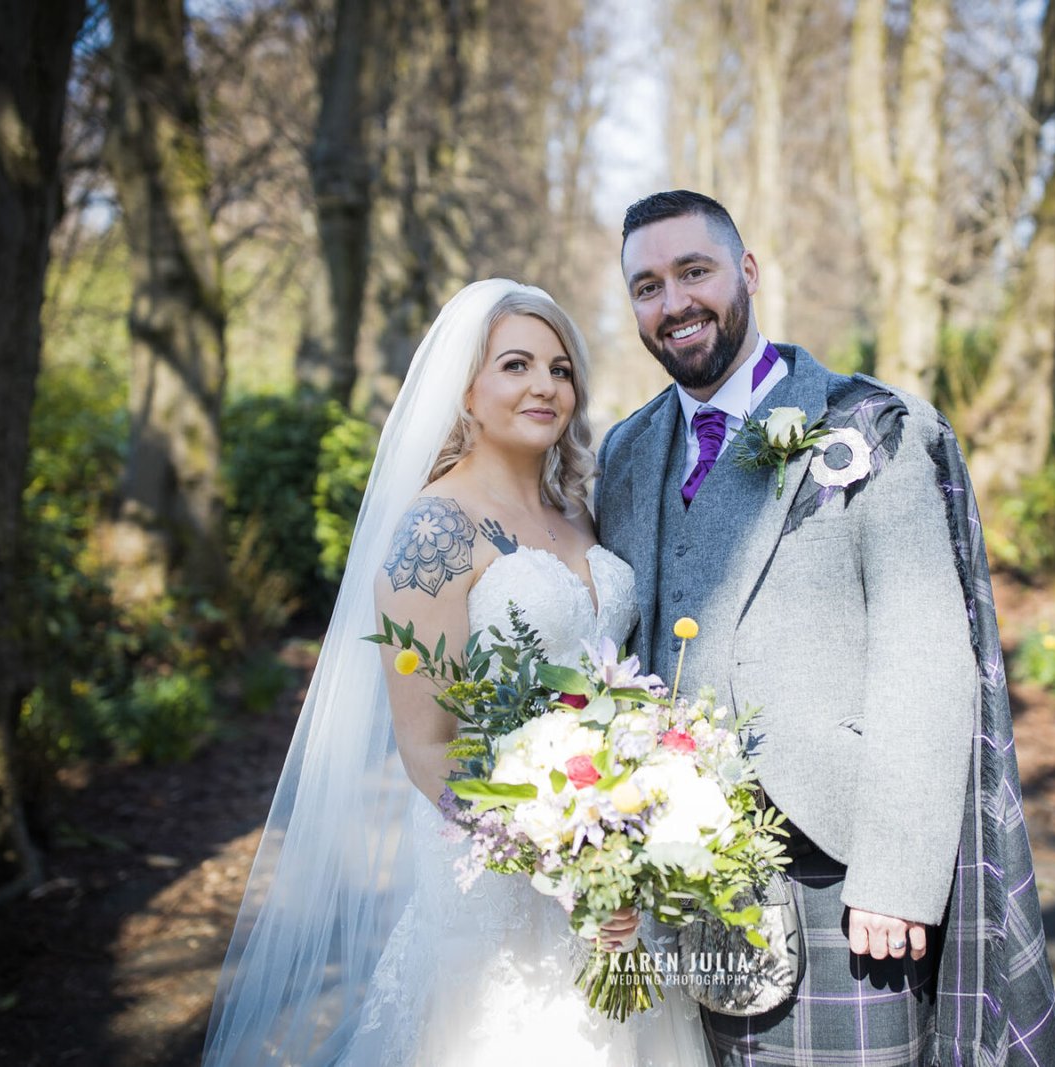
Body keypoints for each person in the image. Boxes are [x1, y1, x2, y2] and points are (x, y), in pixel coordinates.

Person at [596, 191, 1055, 1066]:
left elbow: (924, 660)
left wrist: (896, 876)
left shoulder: (872, 428)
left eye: (694, 271)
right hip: (671, 887)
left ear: (747, 272)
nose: (673, 302)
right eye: (647, 286)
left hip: (843, 882)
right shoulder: (625, 452)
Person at [201, 279, 712, 1066]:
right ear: (466, 389)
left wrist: (624, 841)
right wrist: (561, 854)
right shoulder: (433, 530)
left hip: (613, 851)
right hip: (502, 871)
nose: (545, 384)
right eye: (516, 365)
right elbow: (425, 744)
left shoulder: (579, 508)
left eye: (560, 368)